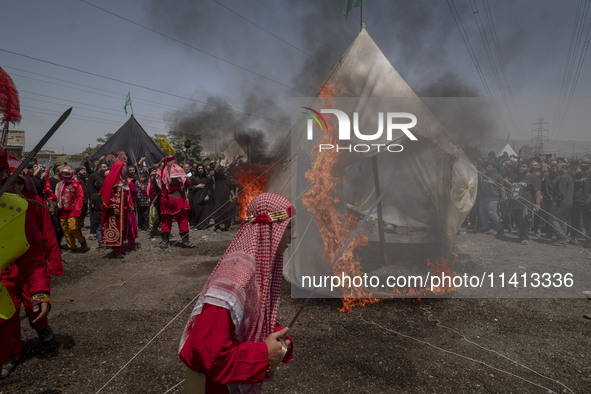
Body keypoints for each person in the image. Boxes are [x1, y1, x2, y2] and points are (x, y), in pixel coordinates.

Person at [179, 193, 295, 393]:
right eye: (288, 228)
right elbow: (210, 352)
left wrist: (275, 338)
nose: (291, 237)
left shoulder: (254, 271)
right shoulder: (236, 280)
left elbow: (248, 320)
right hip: (213, 386)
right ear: (269, 229)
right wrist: (263, 353)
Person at [0, 154, 62, 379]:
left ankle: (34, 332)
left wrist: (41, 289)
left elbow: (42, 244)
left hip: (17, 268)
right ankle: (10, 352)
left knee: (27, 308)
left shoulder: (22, 207)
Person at [99, 161, 135, 259]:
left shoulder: (123, 180)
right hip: (115, 210)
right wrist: (114, 207)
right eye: (124, 167)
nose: (125, 170)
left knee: (122, 229)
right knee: (117, 229)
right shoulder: (113, 180)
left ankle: (120, 249)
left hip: (124, 209)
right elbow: (108, 195)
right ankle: (117, 251)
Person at [158, 156, 194, 248]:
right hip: (178, 199)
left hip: (165, 199)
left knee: (166, 221)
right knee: (182, 220)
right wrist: (185, 175)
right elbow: (188, 183)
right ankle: (186, 242)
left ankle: (165, 242)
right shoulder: (178, 170)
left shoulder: (161, 171)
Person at [55, 166, 87, 253]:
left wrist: (77, 210)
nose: (65, 175)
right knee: (66, 230)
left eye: (67, 174)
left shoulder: (76, 184)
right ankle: (72, 246)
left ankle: (82, 241)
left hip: (73, 210)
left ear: (71, 173)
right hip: (62, 210)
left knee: (73, 228)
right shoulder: (59, 185)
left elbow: (80, 197)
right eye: (63, 174)